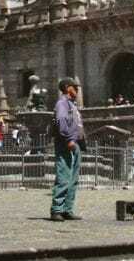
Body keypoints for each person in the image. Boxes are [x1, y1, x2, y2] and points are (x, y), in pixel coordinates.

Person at [50, 77, 84, 222]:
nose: (77, 90)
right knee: (64, 176)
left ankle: (67, 209)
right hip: (66, 143)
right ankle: (57, 209)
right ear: (67, 88)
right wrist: (68, 138)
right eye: (75, 88)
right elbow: (62, 121)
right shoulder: (62, 104)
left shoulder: (71, 104)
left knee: (73, 178)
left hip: (74, 143)